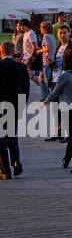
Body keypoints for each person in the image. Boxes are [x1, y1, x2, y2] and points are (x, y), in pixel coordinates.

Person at [41, 45, 72, 174]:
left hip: (69, 109)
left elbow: (54, 93)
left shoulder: (64, 76)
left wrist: (43, 103)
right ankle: (66, 159)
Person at [0, 41, 27, 180]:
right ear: (13, 51)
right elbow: (26, 89)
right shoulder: (21, 67)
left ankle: (5, 170)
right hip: (15, 106)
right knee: (12, 136)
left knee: (1, 140)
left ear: (1, 52)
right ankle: (16, 162)